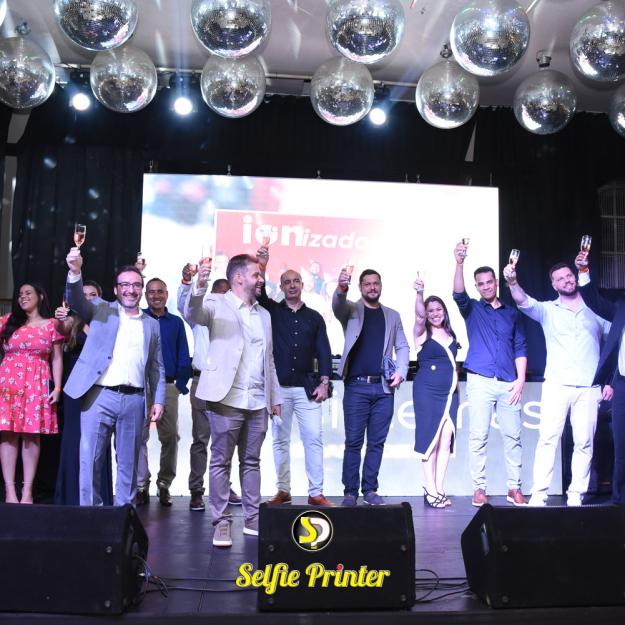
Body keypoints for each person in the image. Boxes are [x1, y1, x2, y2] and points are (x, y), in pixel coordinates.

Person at [185, 254, 281, 547]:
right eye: (256, 275)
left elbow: (269, 359)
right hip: (225, 397)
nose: (261, 279)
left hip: (257, 400)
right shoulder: (216, 303)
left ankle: (253, 519)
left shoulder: (264, 315)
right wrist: (199, 283)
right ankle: (222, 522)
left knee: (251, 461)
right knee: (221, 461)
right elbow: (192, 312)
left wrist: (274, 396)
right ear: (239, 278)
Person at [64, 247, 166, 506]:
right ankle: (91, 518)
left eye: (136, 285)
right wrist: (75, 271)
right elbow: (76, 301)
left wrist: (159, 399)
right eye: (125, 285)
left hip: (134, 400)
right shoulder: (101, 309)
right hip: (99, 396)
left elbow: (157, 367)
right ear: (116, 289)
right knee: (90, 461)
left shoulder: (151, 324)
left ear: (141, 289)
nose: (131, 290)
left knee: (128, 465)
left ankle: (123, 517)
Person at [504, 260, 608, 507]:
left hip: (589, 387)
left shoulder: (596, 309)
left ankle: (576, 495)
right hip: (556, 385)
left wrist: (608, 381)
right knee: (548, 440)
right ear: (553, 285)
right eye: (560, 278)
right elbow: (522, 301)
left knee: (584, 443)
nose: (566, 280)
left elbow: (613, 343)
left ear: (576, 277)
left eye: (569, 275)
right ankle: (539, 494)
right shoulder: (548, 310)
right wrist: (512, 282)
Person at [452, 241, 528, 507]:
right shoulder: (472, 308)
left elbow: (520, 347)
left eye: (489, 282)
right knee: (478, 436)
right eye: (481, 284)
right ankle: (479, 488)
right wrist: (459, 263)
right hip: (480, 380)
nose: (485, 287)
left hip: (508, 382)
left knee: (513, 437)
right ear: (477, 287)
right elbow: (457, 293)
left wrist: (521, 379)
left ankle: (514, 488)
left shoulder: (512, 313)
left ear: (496, 282)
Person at [256, 247, 333, 507]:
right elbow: (259, 292)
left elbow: (324, 351)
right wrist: (262, 265)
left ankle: (316, 493)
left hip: (307, 389)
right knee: (280, 441)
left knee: (313, 439)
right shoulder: (271, 311)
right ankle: (283, 490)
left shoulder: (314, 317)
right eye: (287, 282)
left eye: (296, 281)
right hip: (278, 389)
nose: (291, 285)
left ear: (302, 285)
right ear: (281, 287)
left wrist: (325, 382)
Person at [332, 268, 409, 506]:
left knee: (376, 443)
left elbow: (403, 346)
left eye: (376, 283)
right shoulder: (351, 310)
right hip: (356, 387)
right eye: (367, 284)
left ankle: (370, 490)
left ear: (381, 286)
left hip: (383, 389)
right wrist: (341, 287)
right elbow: (337, 304)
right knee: (353, 442)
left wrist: (401, 371)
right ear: (360, 287)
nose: (372, 287)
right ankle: (350, 492)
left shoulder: (393, 315)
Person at [177, 268, 241, 511]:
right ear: (209, 295)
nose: (221, 298)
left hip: (229, 384)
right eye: (217, 293)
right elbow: (183, 304)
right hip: (202, 381)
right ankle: (196, 490)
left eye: (226, 294)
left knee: (226, 441)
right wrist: (187, 281)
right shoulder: (199, 316)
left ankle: (224, 487)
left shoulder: (236, 320)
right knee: (200, 440)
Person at [0, 283, 63, 504]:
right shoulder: (8, 321)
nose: (23, 297)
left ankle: (27, 492)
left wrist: (57, 387)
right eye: (20, 294)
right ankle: (10, 492)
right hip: (8, 385)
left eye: (28, 293)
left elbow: (57, 358)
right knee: (8, 435)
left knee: (31, 435)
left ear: (40, 296)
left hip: (36, 384)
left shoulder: (51, 325)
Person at [53, 280, 114, 506]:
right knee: (74, 440)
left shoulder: (107, 323)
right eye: (84, 294)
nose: (88, 298)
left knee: (98, 441)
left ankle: (98, 498)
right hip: (75, 391)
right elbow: (60, 328)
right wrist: (60, 318)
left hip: (100, 387)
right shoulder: (71, 322)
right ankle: (71, 497)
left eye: (93, 295)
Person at [136, 277, 191, 507]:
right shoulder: (138, 318)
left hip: (167, 386)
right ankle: (141, 485)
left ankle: (164, 483)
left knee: (170, 437)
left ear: (167, 295)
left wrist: (179, 384)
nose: (156, 296)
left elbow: (183, 353)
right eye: (151, 292)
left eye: (160, 291)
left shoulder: (176, 323)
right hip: (140, 386)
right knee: (139, 437)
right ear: (145, 295)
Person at [576, 250, 625, 506]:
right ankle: (620, 499)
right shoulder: (622, 307)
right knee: (621, 444)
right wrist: (583, 271)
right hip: (623, 384)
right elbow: (594, 301)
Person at [412, 277, 458, 508]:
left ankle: (439, 487)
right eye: (430, 310)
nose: (434, 314)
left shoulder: (451, 334)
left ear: (444, 311)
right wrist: (420, 293)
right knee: (431, 438)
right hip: (427, 392)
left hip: (450, 394)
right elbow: (419, 316)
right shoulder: (422, 332)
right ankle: (429, 489)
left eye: (438, 309)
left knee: (446, 439)